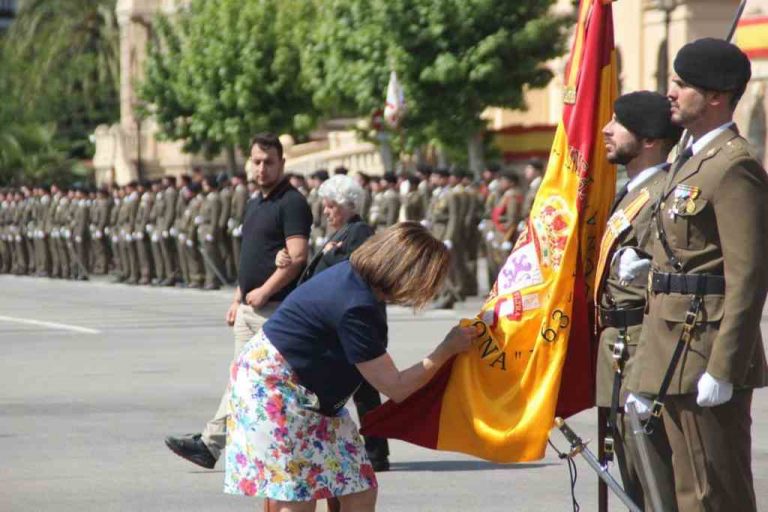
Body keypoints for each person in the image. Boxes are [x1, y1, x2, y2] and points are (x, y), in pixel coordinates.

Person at [224, 222, 474, 511]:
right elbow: (396, 386)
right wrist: (447, 349)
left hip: (312, 396)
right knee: (297, 498)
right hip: (274, 390)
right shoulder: (356, 304)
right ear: (407, 273)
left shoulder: (354, 279)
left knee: (358, 488)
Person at [625, 38, 768, 512]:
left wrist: (725, 368)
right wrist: (645, 373)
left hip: (705, 349)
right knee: (683, 490)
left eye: (682, 84)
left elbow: (748, 278)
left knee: (713, 492)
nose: (670, 92)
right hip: (670, 348)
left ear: (715, 97)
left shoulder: (733, 166)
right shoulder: (688, 158)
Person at [165, 133, 312, 470]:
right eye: (256, 161)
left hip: (273, 310)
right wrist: (238, 297)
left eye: (269, 162)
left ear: (282, 164)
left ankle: (217, 444)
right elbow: (251, 256)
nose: (262, 168)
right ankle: (213, 444)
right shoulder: (255, 201)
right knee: (243, 380)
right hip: (248, 309)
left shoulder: (292, 202)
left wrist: (266, 290)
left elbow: (298, 255)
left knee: (266, 382)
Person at [595, 91, 682, 510]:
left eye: (619, 122)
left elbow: (665, 293)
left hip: (641, 350)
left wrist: (647, 372)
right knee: (632, 472)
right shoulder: (633, 192)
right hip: (618, 350)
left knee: (653, 477)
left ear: (649, 138)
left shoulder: (664, 193)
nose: (607, 130)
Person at [276, 174, 390, 475]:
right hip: (336, 327)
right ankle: (373, 450)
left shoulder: (360, 232)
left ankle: (377, 453)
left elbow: (356, 276)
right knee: (363, 391)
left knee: (365, 392)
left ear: (349, 205)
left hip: (352, 327)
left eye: (330, 206)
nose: (325, 211)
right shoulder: (342, 231)